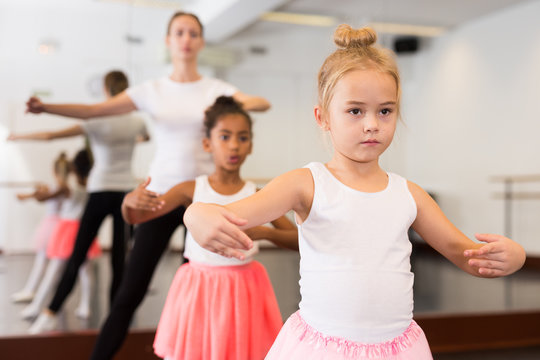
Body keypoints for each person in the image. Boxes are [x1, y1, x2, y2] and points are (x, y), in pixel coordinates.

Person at [183, 25, 527, 359]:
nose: (372, 124)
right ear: (323, 117)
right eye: (355, 111)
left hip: (396, 348)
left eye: (385, 111)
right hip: (321, 348)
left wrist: (511, 257)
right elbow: (231, 214)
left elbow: (462, 252)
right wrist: (196, 213)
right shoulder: (305, 183)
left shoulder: (409, 194)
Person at [24, 11, 271, 358]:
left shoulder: (216, 90)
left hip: (204, 201)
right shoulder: (153, 90)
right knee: (129, 292)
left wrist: (233, 105)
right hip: (161, 197)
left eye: (193, 33)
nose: (186, 39)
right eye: (179, 32)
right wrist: (47, 106)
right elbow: (95, 111)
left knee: (201, 292)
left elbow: (261, 103)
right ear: (169, 41)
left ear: (200, 42)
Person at [123, 96, 297, 360]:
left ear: (251, 145)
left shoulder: (258, 195)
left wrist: (264, 233)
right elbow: (136, 217)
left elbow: (298, 239)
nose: (234, 145)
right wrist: (128, 202)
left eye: (243, 137)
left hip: (243, 289)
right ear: (208, 143)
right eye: (225, 137)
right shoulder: (190, 189)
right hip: (200, 287)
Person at [10, 70, 148, 331]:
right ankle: (115, 318)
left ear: (106, 90)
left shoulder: (95, 121)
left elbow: (51, 136)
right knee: (120, 259)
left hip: (100, 191)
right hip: (125, 192)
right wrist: (130, 140)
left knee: (78, 254)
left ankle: (50, 313)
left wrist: (20, 136)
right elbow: (147, 138)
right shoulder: (137, 122)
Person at [22, 149, 100, 333]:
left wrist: (35, 194)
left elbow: (45, 198)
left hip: (67, 231)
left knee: (53, 272)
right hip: (82, 229)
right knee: (85, 271)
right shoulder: (89, 185)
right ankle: (85, 306)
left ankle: (38, 305)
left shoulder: (67, 187)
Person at [11, 152, 69, 304]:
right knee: (55, 263)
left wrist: (29, 196)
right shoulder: (63, 188)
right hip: (62, 227)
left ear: (54, 171)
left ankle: (32, 290)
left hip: (54, 227)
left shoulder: (60, 189)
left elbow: (44, 197)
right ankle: (36, 290)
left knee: (45, 260)